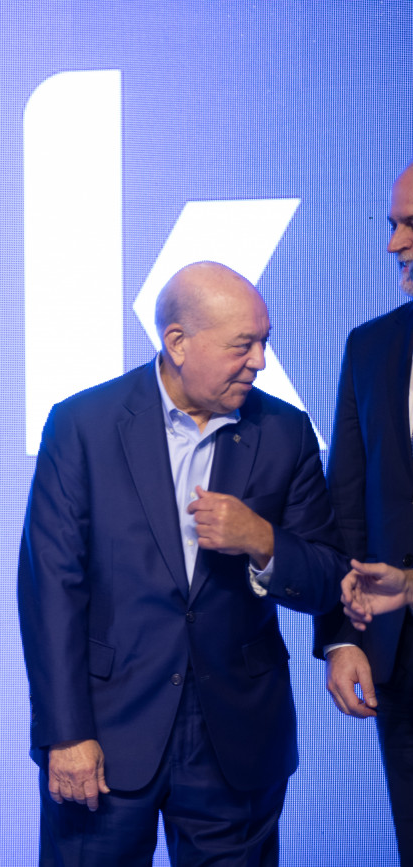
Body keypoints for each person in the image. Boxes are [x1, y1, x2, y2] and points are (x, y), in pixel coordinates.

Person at [18, 260, 346, 865]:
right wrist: (66, 733)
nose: (259, 362)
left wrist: (263, 541)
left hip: (237, 738)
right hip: (107, 730)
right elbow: (51, 591)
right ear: (177, 342)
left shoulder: (285, 430)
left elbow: (329, 580)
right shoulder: (83, 425)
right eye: (242, 345)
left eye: (264, 342)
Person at [315, 159, 413, 861]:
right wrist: (342, 637)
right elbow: (345, 506)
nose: (392, 243)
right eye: (393, 224)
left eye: (411, 225)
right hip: (402, 664)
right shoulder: (371, 346)